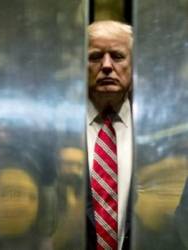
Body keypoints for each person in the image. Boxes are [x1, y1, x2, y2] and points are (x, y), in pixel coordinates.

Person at [86, 20, 133, 250]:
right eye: (95, 57)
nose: (106, 65)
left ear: (134, 63)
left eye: (117, 56)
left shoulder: (156, 134)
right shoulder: (57, 131)